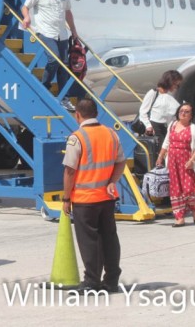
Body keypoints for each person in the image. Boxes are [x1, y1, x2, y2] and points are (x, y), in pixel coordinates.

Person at [62, 98, 126, 293]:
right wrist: (111, 182)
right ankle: (112, 280)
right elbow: (121, 162)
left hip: (85, 199)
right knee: (109, 238)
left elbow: (70, 171)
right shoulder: (111, 134)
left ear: (78, 115)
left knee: (89, 240)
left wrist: (66, 198)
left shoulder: (77, 137)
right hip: (106, 198)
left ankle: (91, 280)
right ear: (96, 113)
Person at [21, 0, 80, 111]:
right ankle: (45, 87)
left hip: (62, 34)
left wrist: (73, 30)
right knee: (54, 59)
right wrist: (27, 17)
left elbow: (68, 13)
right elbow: (25, 6)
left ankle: (63, 98)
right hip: (45, 32)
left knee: (64, 65)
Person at [156, 102, 195, 227]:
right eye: (181, 110)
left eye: (187, 111)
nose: (183, 113)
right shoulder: (172, 125)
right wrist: (160, 156)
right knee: (176, 190)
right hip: (173, 161)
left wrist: (192, 160)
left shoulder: (193, 128)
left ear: (191, 115)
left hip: (187, 162)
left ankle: (194, 212)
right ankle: (179, 217)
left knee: (188, 190)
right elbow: (167, 142)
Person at [137, 70, 183, 146]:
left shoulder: (169, 96)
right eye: (175, 84)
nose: (176, 87)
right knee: (159, 150)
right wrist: (148, 126)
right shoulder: (153, 93)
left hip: (166, 127)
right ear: (170, 82)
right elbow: (143, 111)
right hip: (155, 128)